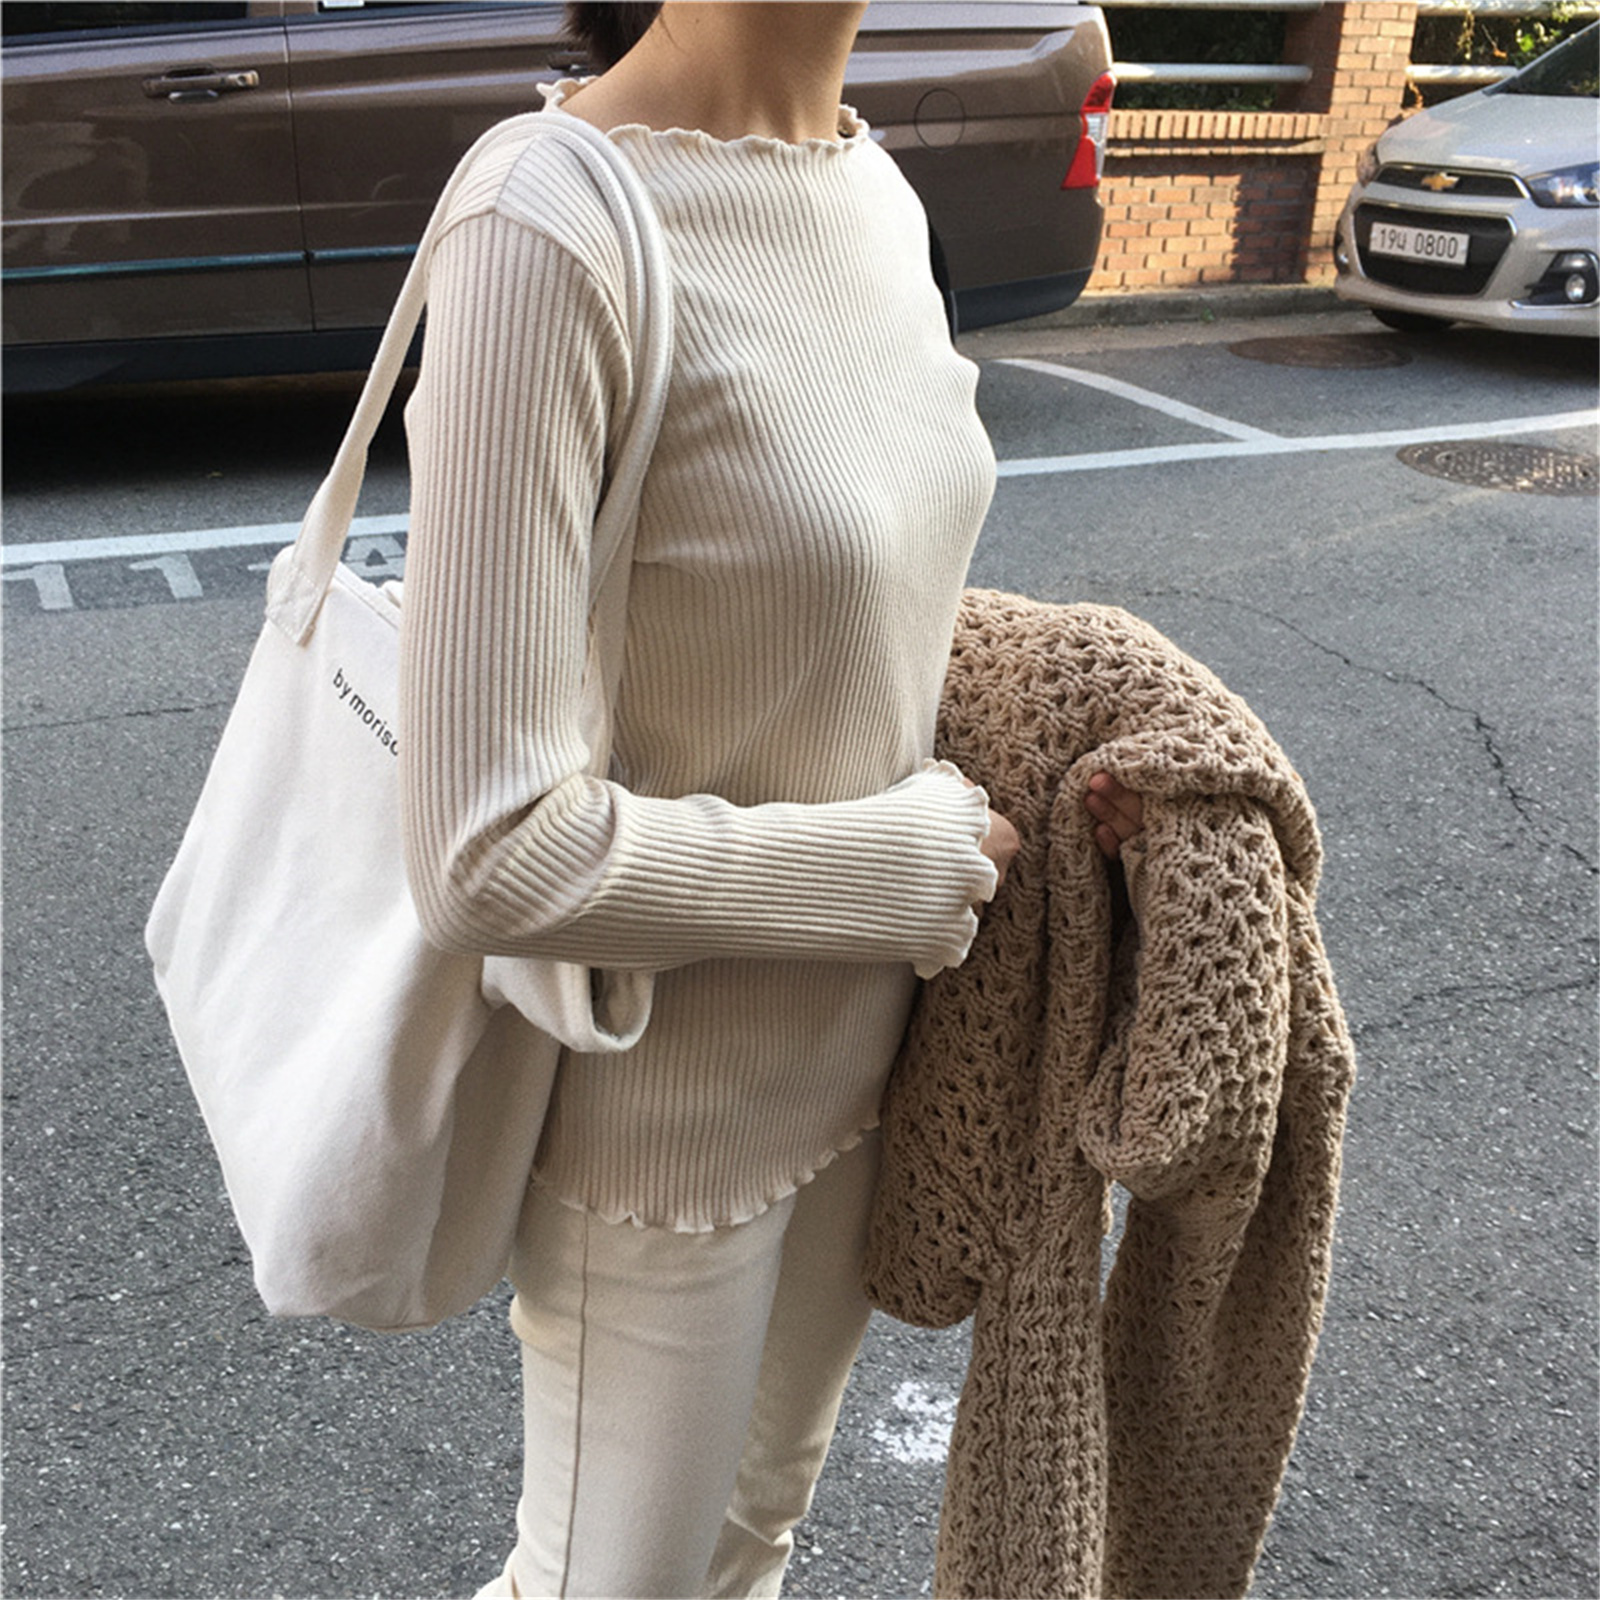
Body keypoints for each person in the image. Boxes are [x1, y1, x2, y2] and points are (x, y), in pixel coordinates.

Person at [396, 5, 1143, 1595]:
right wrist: (895, 872)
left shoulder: (873, 192)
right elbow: (486, 850)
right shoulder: (546, 222)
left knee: (750, 1552)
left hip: (882, 1068)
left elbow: (857, 599)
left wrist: (1069, 743)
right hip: (663, 1123)